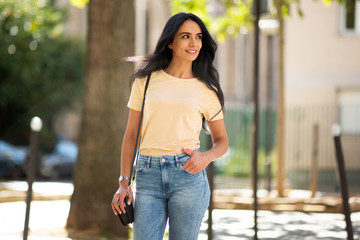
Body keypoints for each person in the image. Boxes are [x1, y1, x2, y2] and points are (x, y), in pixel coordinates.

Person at [111, 12, 228, 240]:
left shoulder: (207, 90)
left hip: (188, 175)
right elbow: (132, 134)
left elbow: (222, 141)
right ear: (170, 42)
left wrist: (205, 157)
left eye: (198, 37)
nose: (194, 43)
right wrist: (123, 183)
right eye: (186, 36)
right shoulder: (145, 81)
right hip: (148, 174)